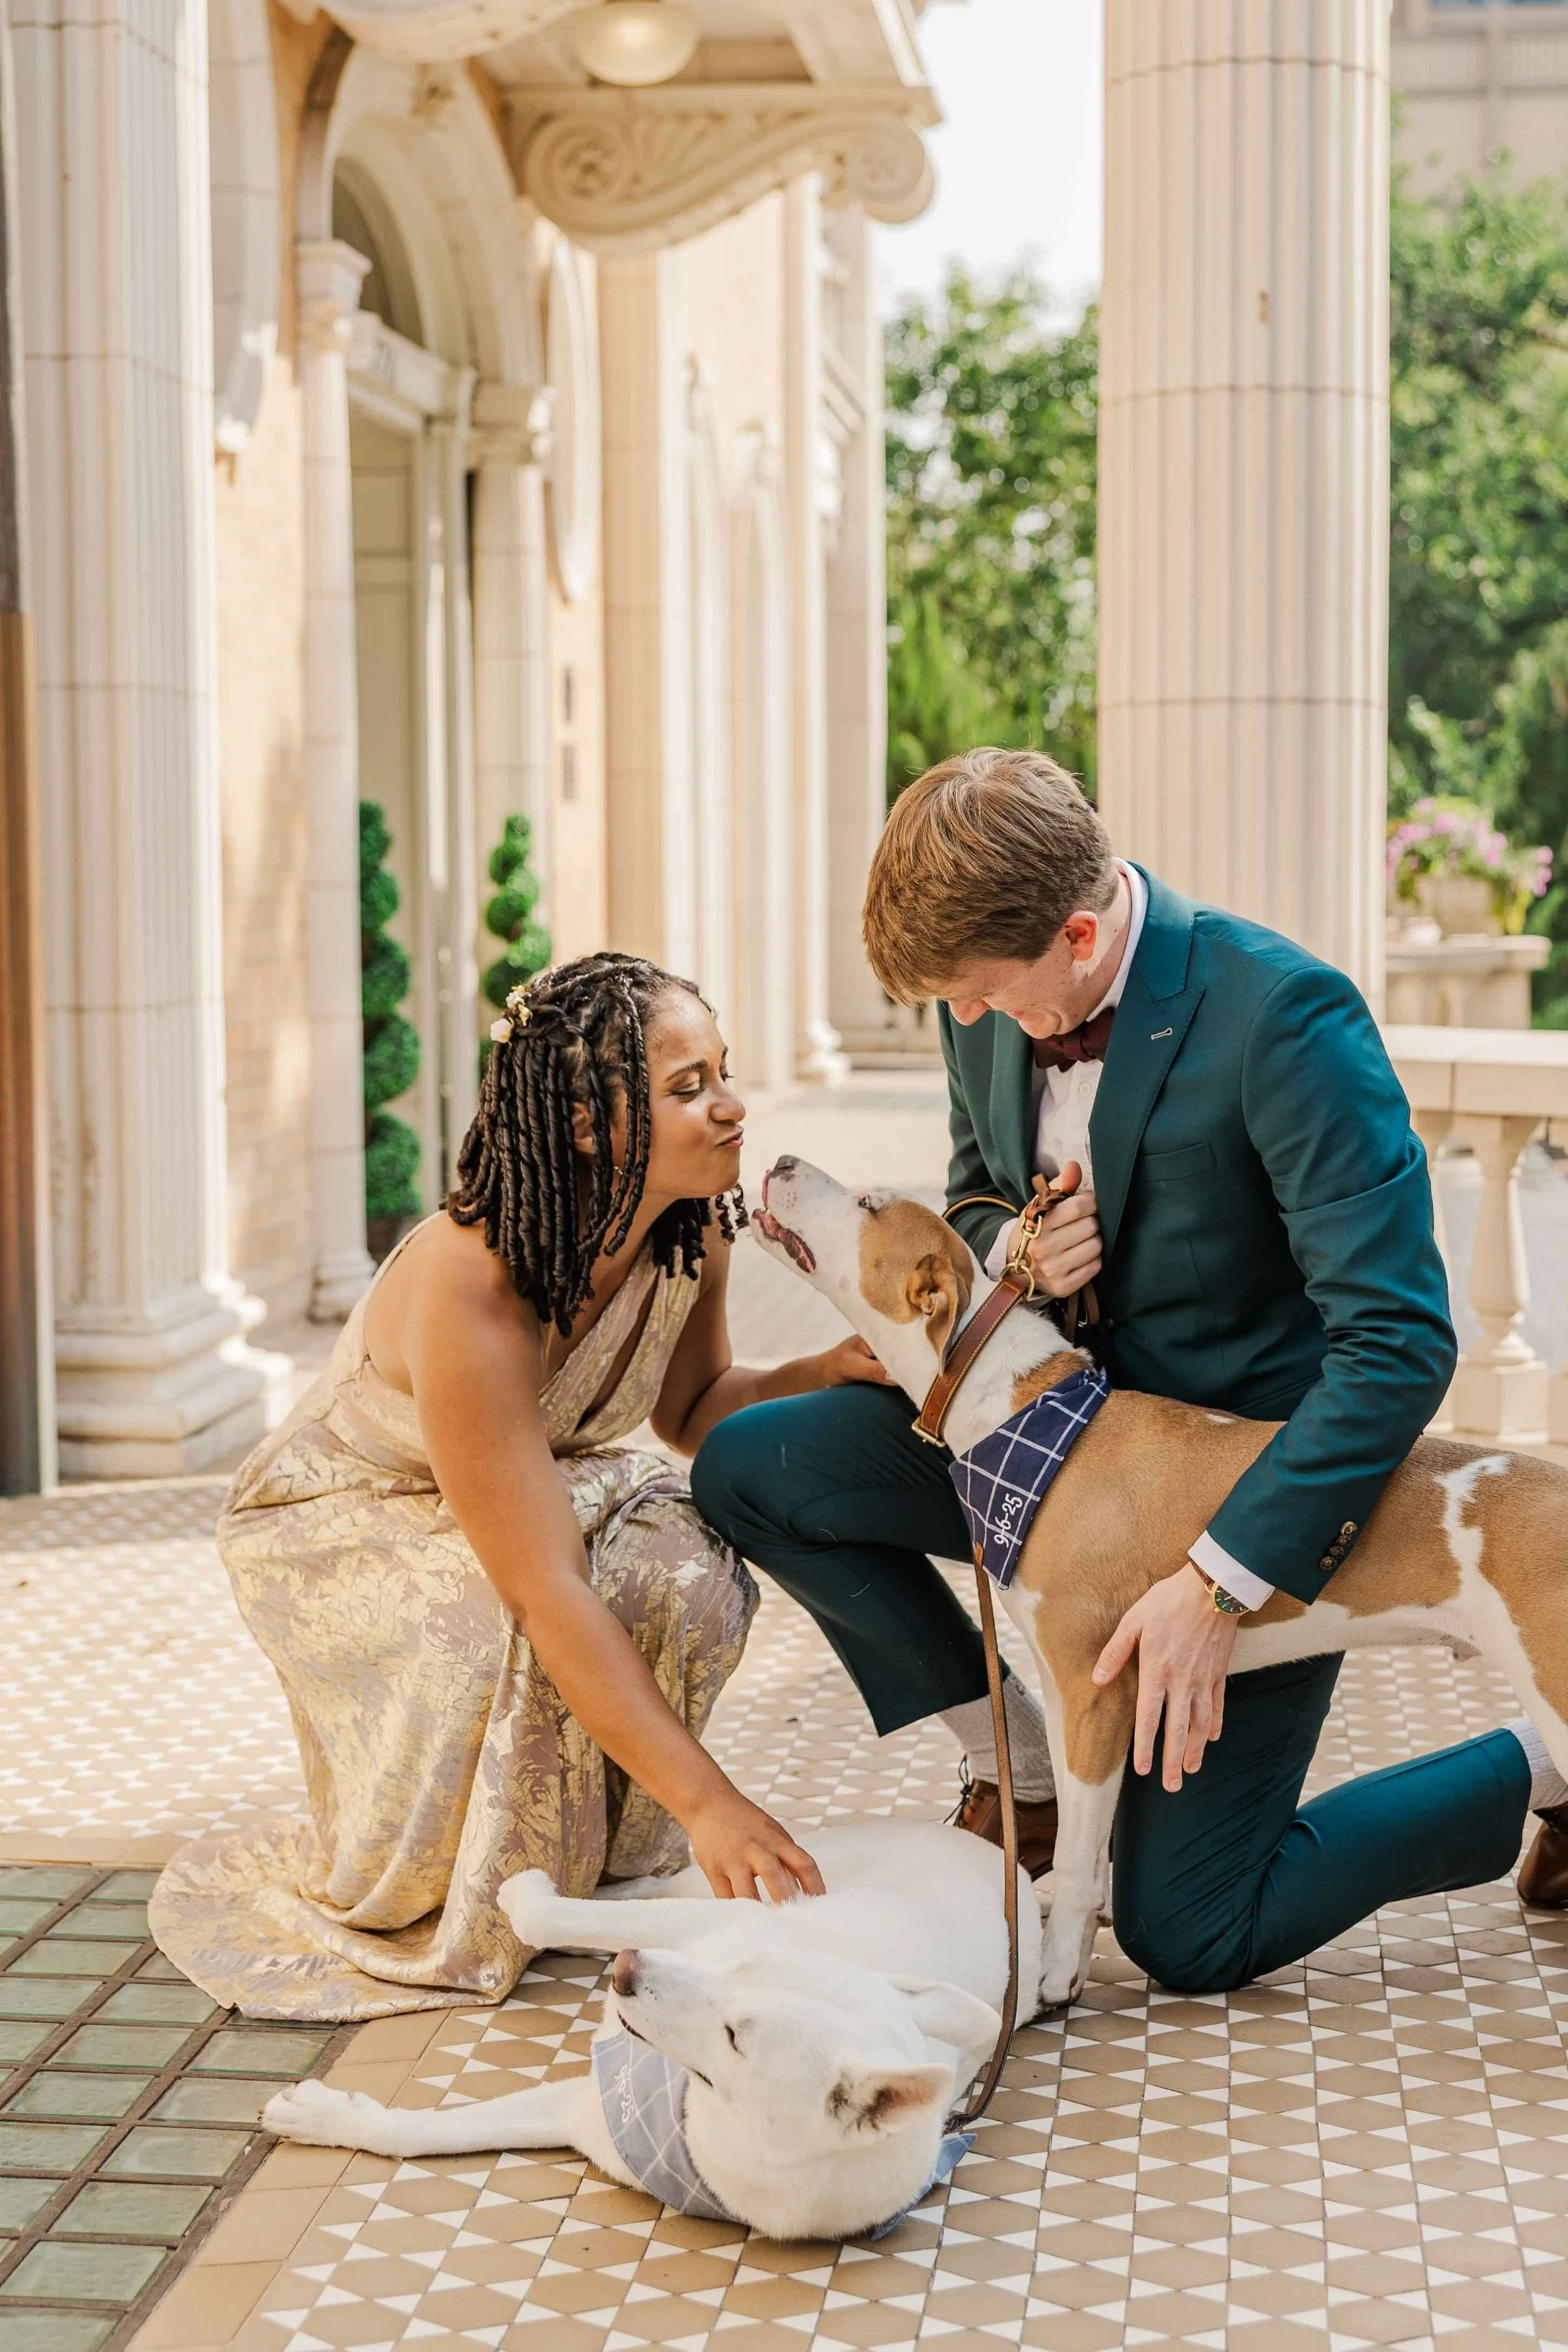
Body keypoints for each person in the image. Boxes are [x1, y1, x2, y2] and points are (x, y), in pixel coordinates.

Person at [694, 748, 1566, 1992]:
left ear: (1081, 930)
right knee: (753, 1465)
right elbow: (970, 1196)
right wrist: (1012, 1250)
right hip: (1031, 1448)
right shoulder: (984, 1003)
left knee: (1186, 1932)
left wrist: (1216, 1582)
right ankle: (1026, 1773)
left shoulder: (1283, 1017)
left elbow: (1399, 1340)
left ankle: (1539, 1772)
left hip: (1237, 1509)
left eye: (995, 998)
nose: (978, 1024)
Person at [152, 952, 883, 2020]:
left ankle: (592, 1855)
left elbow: (692, 1408)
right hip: (345, 1519)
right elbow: (545, 1590)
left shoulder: (687, 1231)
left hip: (515, 1492)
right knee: (504, 1615)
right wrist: (713, 1801)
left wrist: (820, 1371)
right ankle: (460, 1885)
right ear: (588, 1124)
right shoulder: (472, 1283)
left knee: (689, 1559)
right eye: (688, 1087)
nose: (731, 1105)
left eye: (723, 1072)